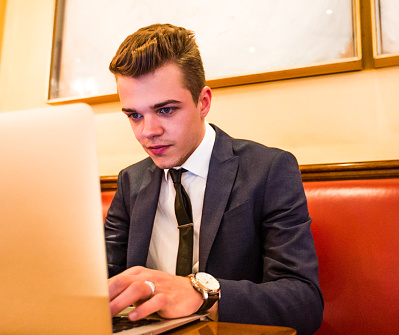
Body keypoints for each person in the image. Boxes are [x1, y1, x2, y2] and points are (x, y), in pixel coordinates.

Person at [104, 23, 323, 335]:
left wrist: (200, 294)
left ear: (203, 102)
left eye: (165, 110)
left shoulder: (269, 170)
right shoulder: (131, 181)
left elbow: (303, 303)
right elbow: (99, 282)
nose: (147, 132)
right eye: (134, 115)